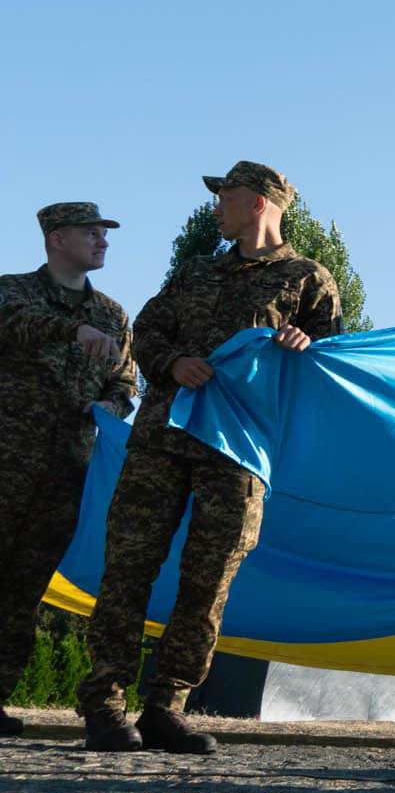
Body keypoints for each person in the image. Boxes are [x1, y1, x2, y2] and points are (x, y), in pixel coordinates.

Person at [77, 163, 342, 755]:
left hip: (241, 450)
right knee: (128, 568)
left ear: (259, 203)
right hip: (162, 441)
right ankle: (104, 703)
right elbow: (145, 331)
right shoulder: (195, 270)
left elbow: (334, 366)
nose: (217, 204)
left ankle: (167, 707)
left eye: (225, 194)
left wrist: (308, 344)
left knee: (209, 579)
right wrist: (171, 363)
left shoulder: (308, 279)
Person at [0, 203, 137, 737]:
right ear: (57, 239)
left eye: (104, 232)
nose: (102, 240)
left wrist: (114, 405)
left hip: (67, 468)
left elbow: (125, 380)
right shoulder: (13, 292)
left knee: (24, 587)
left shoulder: (112, 313)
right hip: (8, 457)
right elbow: (14, 324)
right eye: (91, 231)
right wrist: (71, 330)